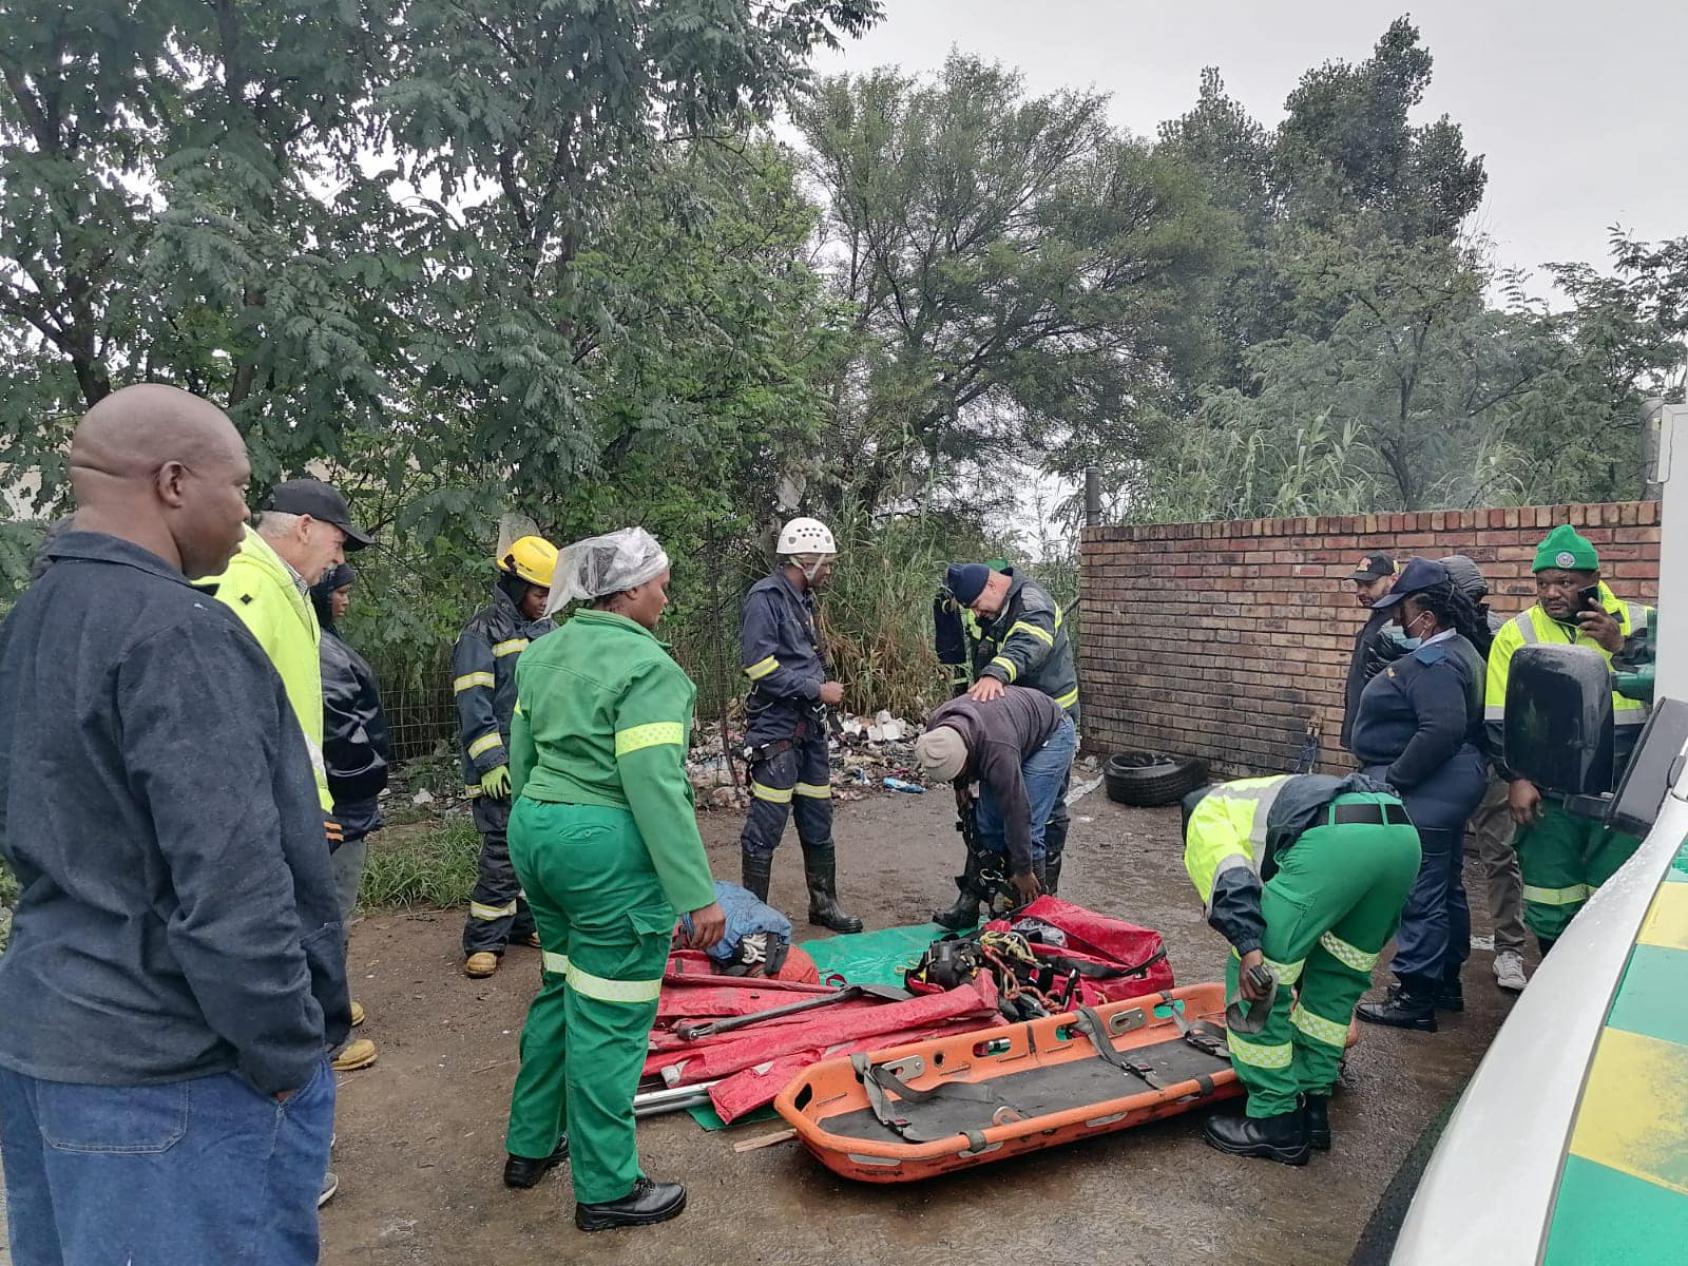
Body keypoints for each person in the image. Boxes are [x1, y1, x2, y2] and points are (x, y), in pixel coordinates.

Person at [0, 384, 349, 1266]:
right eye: (238, 490)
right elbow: (233, 887)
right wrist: (286, 1053)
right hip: (173, 1074)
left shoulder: (35, 618)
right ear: (173, 482)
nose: (245, 518)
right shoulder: (178, 631)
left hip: (51, 1040)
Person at [500, 527, 725, 1231]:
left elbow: (521, 751)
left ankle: (530, 1146)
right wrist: (696, 893)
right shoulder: (648, 669)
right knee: (611, 1019)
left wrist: (544, 832)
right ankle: (607, 1188)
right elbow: (654, 784)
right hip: (605, 856)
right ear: (628, 589)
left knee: (561, 989)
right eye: (660, 580)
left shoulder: (547, 651)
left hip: (538, 831)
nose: (666, 592)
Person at [1182, 773, 1419, 1165]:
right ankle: (1313, 1108)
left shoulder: (1206, 816)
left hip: (1335, 844)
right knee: (1338, 977)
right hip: (1400, 836)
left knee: (1259, 982)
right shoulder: (1255, 795)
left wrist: (1249, 949)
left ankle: (1274, 1120)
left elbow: (1231, 882)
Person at [1484, 525, 1655, 954]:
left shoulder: (1642, 622)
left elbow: (1673, 692)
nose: (1553, 593)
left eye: (1566, 583)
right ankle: (1552, 983)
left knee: (1616, 898)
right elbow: (1497, 717)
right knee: (1549, 896)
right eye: (1543, 584)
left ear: (1594, 580)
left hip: (1624, 791)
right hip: (1551, 793)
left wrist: (1621, 645)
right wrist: (1516, 778)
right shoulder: (1517, 633)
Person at [1348, 559, 1491, 1031]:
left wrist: (1396, 780)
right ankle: (1445, 984)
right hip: (1449, 784)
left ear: (1426, 618)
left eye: (1402, 611)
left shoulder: (1434, 660)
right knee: (1444, 886)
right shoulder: (1461, 650)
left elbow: (1441, 728)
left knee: (1421, 894)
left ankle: (1414, 996)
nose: (1395, 620)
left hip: (1430, 788)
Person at [737, 517, 860, 933]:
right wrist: (815, 689)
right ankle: (752, 918)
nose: (829, 571)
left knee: (817, 814)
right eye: (825, 563)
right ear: (805, 559)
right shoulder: (765, 598)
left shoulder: (801, 598)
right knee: (766, 823)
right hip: (777, 728)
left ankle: (824, 905)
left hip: (809, 729)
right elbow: (759, 667)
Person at [941, 560, 1080, 897]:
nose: (976, 614)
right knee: (988, 813)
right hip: (1004, 723)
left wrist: (996, 673)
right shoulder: (987, 611)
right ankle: (979, 894)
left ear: (992, 586)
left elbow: (1026, 646)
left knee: (1038, 811)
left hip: (1050, 724)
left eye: (976, 605)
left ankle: (1039, 896)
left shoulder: (1034, 604)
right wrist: (961, 781)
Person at [454, 535, 559, 978]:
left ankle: (522, 924)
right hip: (498, 769)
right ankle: (484, 938)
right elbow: (473, 704)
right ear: (515, 587)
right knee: (501, 852)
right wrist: (492, 761)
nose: (546, 602)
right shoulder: (481, 634)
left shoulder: (547, 630)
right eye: (539, 592)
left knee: (534, 849)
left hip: (537, 766)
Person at [311, 563, 392, 1067]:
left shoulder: (316, 638)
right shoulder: (320, 652)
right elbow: (341, 734)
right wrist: (366, 785)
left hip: (335, 803)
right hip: (337, 806)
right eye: (338, 591)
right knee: (330, 912)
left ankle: (330, 1000)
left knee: (330, 910)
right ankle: (327, 1030)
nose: (345, 600)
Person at [1439, 554, 1529, 993]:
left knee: (1499, 856)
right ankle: (1438, 942)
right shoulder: (1429, 633)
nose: (1473, 604)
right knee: (1441, 857)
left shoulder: (1501, 635)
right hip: (1449, 763)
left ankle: (1510, 949)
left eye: (1478, 597)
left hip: (1492, 764)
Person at [913, 685, 1076, 918]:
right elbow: (947, 757)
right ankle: (970, 901)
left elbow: (1017, 812)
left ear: (968, 758)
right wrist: (960, 786)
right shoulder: (936, 731)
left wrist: (1023, 870)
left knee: (1030, 831)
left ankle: (1033, 916)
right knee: (986, 823)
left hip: (1051, 733)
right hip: (1006, 728)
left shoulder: (997, 751)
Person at [1340, 553, 1403, 752]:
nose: (1361, 591)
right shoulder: (1378, 617)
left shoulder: (1399, 623)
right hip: (1365, 732)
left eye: (1369, 584)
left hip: (1382, 739)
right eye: (1359, 584)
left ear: (1393, 580)